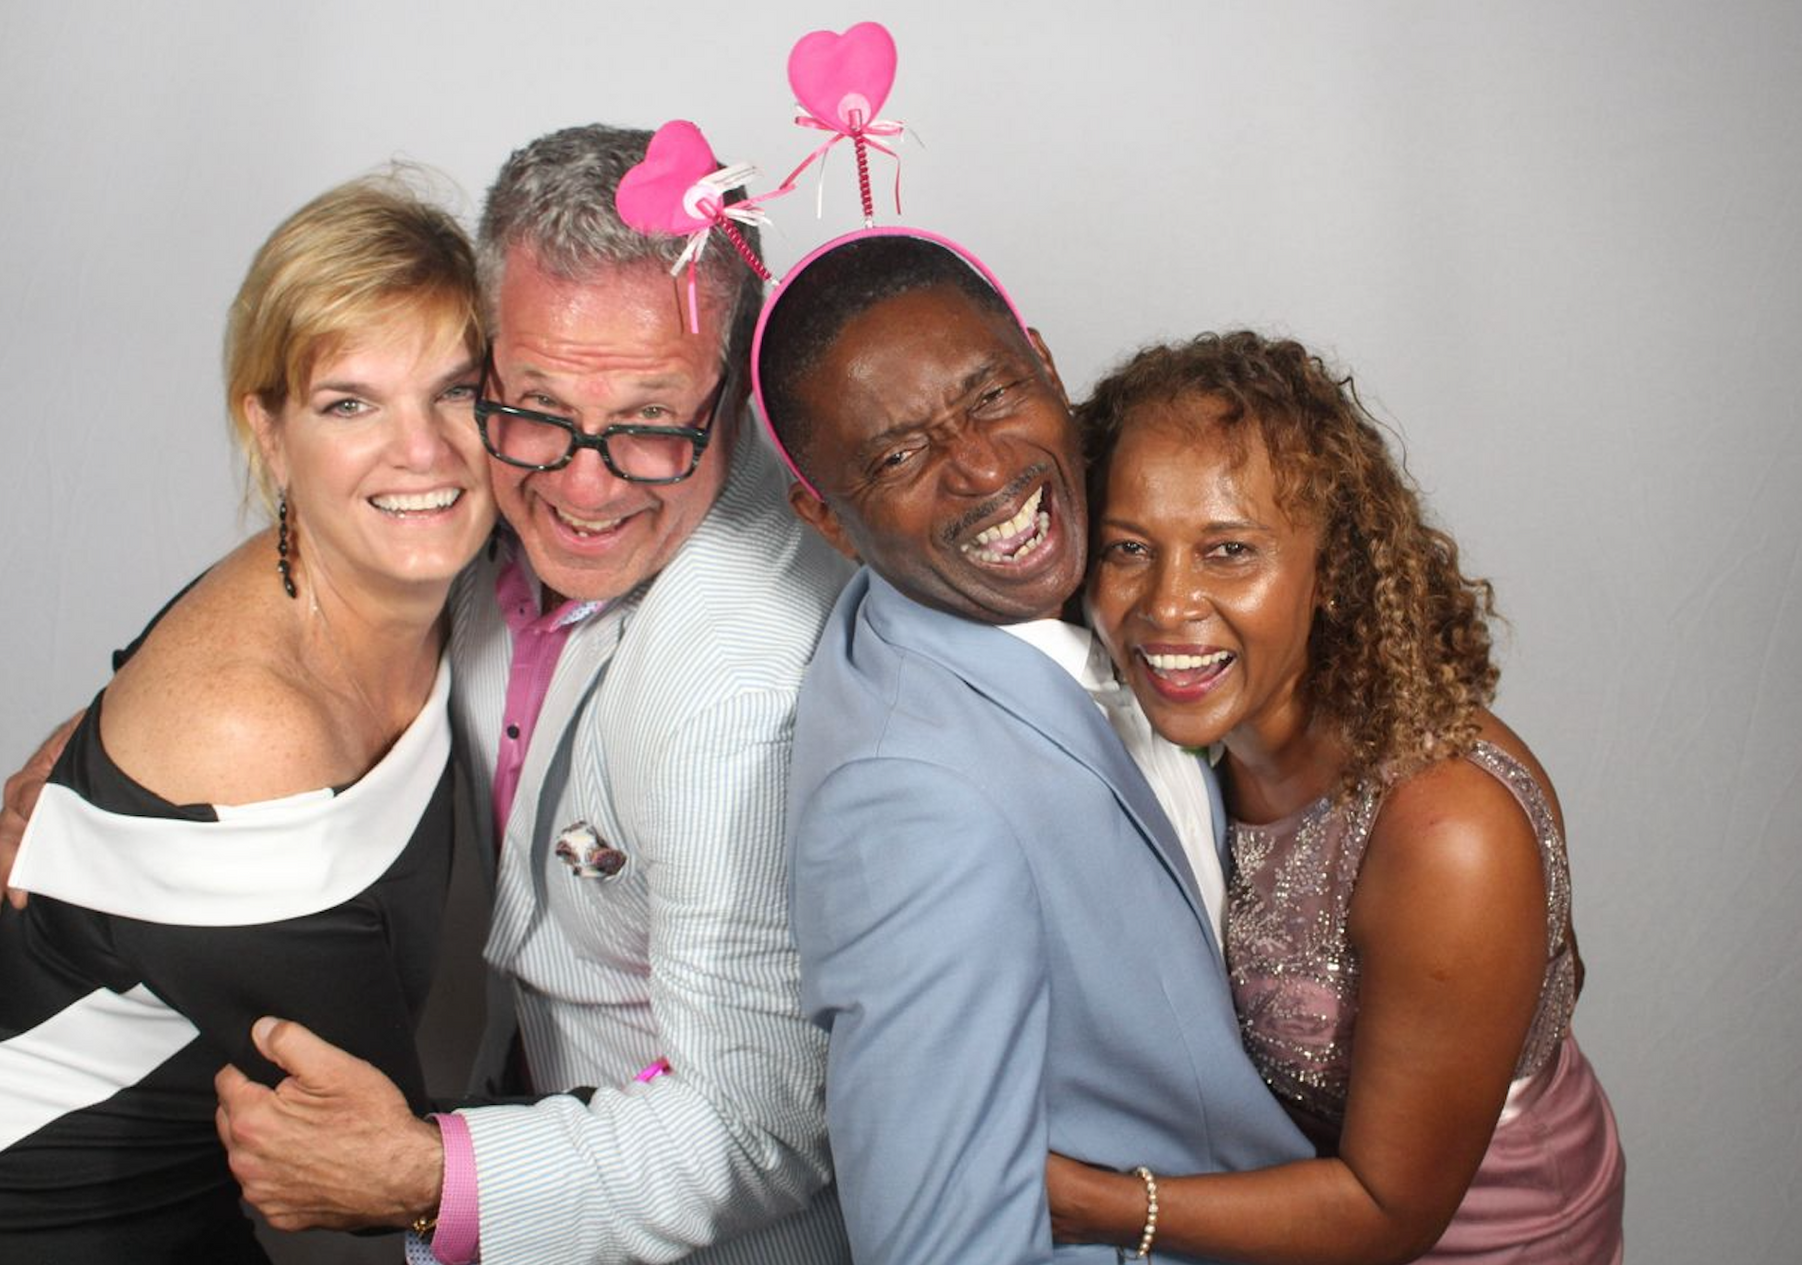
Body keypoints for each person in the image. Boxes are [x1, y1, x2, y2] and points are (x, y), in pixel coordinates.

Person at [1, 126, 853, 1265]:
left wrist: (428, 1176)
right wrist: (118, 739)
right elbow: (340, 545)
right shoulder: (488, 478)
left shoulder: (731, 684)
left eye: (651, 421)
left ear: (731, 395)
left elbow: (758, 1129)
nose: (586, 481)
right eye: (533, 403)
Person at [750, 229, 1316, 1265]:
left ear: (1048, 367)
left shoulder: (1133, 569)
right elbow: (945, 1244)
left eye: (993, 396)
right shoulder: (912, 807)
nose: (980, 466)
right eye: (897, 455)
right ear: (826, 521)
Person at [1046, 331, 1625, 1263]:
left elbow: (1387, 1210)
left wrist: (1093, 1204)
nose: (1167, 604)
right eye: (1128, 548)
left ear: (1331, 571)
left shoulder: (1446, 833)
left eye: (1229, 550)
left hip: (1472, 1240)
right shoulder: (1191, 735)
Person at [0, 174, 494, 1263]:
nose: (423, 452)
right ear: (267, 431)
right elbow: (365, 1165)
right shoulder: (245, 731)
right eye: (349, 402)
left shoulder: (429, 562)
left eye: (456, 391)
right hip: (57, 1206)